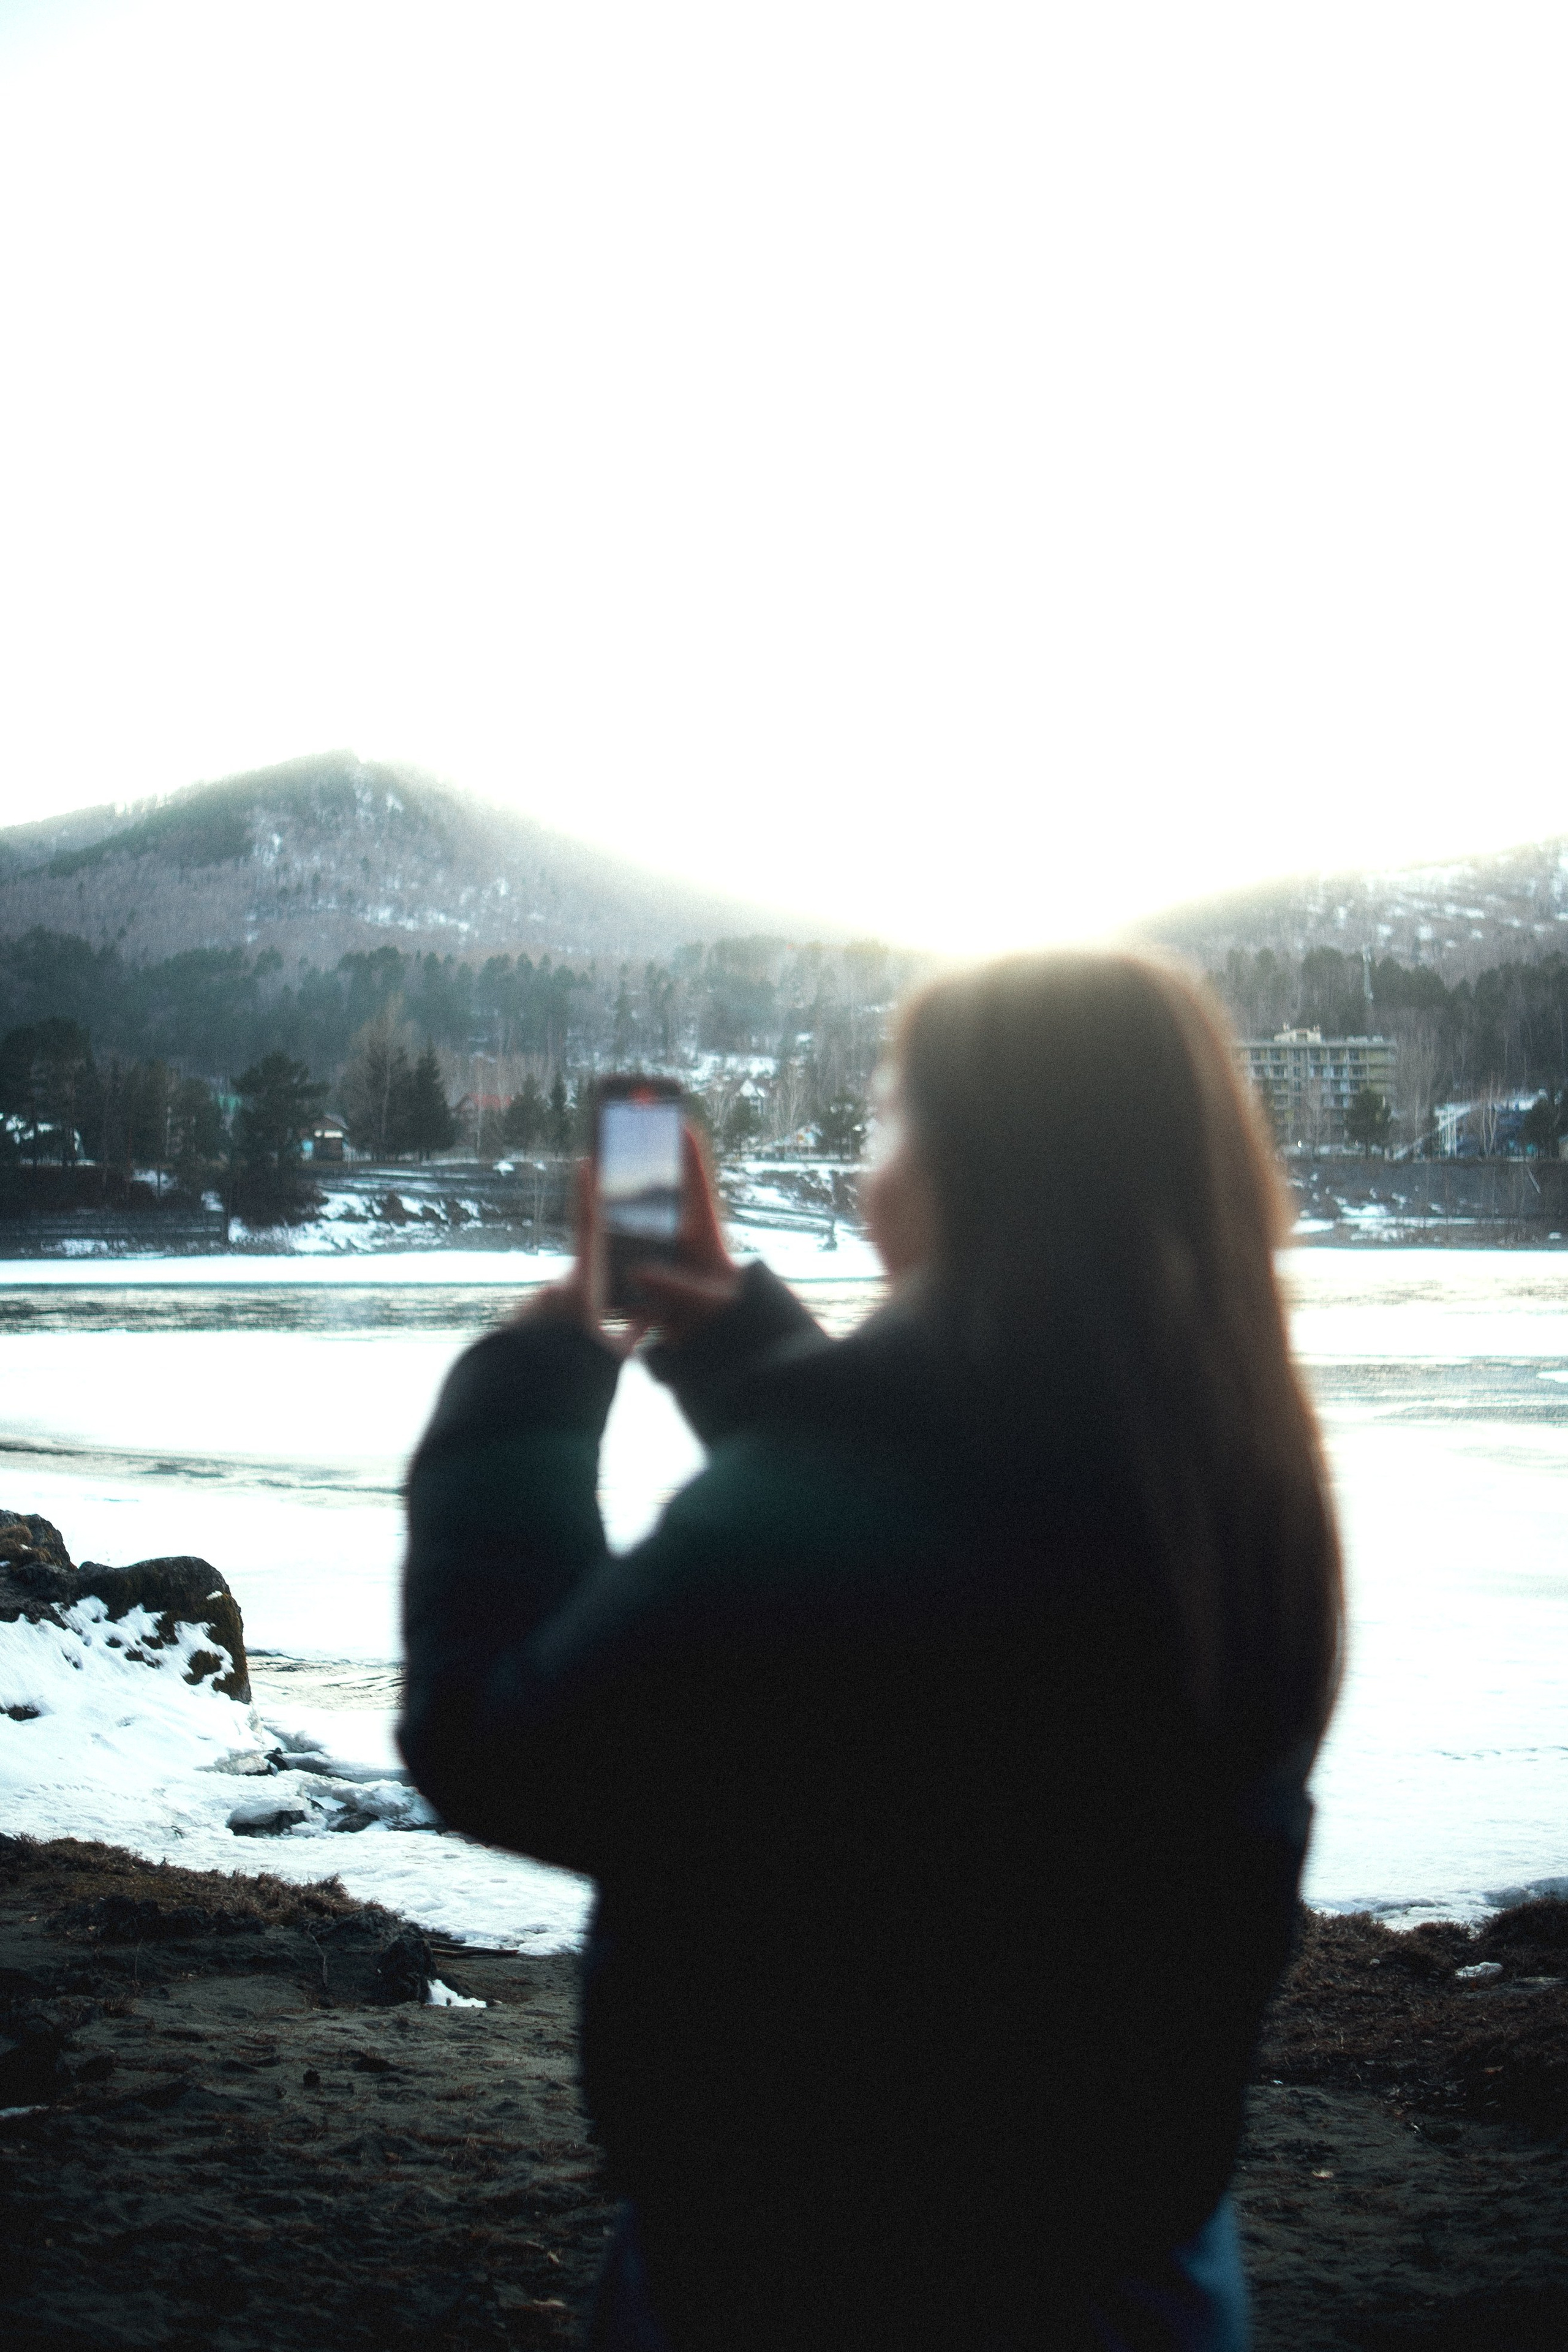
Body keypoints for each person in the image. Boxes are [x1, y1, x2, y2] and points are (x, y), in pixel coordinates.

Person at [399, 951, 1342, 2352]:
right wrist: (735, 1344)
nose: (863, 1160)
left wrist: (531, 1380)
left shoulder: (869, 1484)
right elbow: (919, 1575)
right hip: (1131, 2245)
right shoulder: (1220, 1469)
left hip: (815, 2254)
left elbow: (502, 1741)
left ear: (976, 1165)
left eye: (890, 1115)